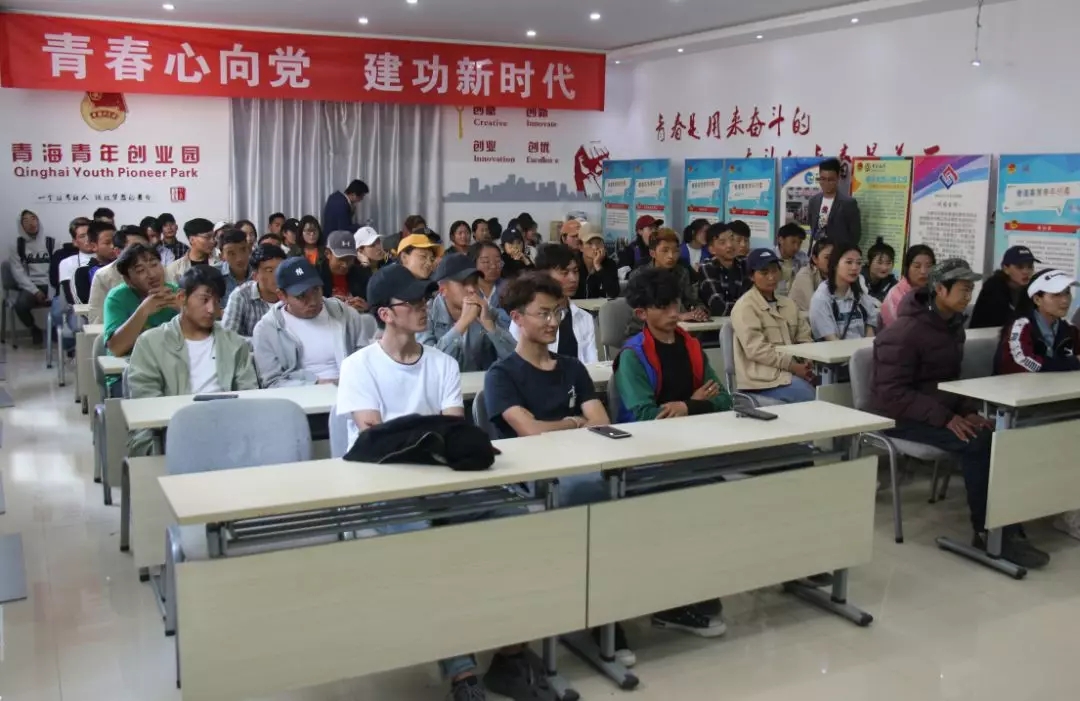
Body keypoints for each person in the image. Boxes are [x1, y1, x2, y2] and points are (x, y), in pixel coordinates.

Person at [336, 267, 519, 701]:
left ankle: (513, 647)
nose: (423, 309)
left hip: (443, 482)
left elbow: (449, 435)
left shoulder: (443, 364)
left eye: (423, 301)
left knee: (515, 516)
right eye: (412, 304)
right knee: (428, 542)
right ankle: (459, 667)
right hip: (383, 489)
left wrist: (415, 436)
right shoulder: (358, 366)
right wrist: (427, 436)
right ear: (385, 314)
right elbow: (374, 440)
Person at [485, 272, 632, 666]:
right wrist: (571, 422)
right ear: (517, 318)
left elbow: (600, 421)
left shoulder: (571, 367)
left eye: (557, 314)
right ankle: (588, 610)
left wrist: (568, 425)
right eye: (543, 314)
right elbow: (530, 432)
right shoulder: (502, 375)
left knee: (625, 494)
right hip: (533, 478)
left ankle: (601, 606)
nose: (553, 322)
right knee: (586, 495)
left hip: (582, 465)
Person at [871, 259, 1049, 569]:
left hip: (932, 412)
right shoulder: (904, 332)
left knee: (998, 434)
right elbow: (890, 394)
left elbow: (948, 382)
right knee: (978, 443)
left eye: (971, 289)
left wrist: (968, 411)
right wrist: (946, 418)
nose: (968, 295)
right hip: (898, 418)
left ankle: (1007, 524)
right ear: (940, 290)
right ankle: (986, 532)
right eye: (963, 289)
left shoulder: (952, 327)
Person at [613, 266, 732, 638]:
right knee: (696, 498)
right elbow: (646, 416)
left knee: (728, 492)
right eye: (662, 306)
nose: (672, 312)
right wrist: (694, 403)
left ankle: (698, 587)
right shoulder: (633, 356)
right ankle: (675, 599)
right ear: (641, 313)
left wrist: (687, 405)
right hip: (646, 456)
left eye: (675, 304)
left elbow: (724, 400)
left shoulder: (691, 346)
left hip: (693, 447)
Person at [126, 266, 259, 455]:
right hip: (171, 430)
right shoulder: (151, 343)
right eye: (204, 300)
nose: (212, 309)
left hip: (227, 427)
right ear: (182, 298)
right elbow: (147, 401)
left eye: (216, 301)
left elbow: (249, 394)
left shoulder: (235, 343)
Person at [994, 269, 1080, 538]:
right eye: (1056, 294)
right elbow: (1025, 362)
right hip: (1017, 407)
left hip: (1053, 402)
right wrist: (1069, 364)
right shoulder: (1022, 325)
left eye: (1067, 293)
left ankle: (1069, 512)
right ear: (1037, 299)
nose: (1065, 300)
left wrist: (1067, 363)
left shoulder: (1067, 329)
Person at [251, 257, 375, 388]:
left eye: (316, 290)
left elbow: (365, 362)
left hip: (352, 389)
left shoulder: (346, 314)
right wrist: (318, 385)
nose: (313, 301)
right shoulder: (267, 330)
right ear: (282, 296)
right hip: (300, 396)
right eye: (301, 296)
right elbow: (272, 382)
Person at [730, 249, 816, 404]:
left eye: (775, 271)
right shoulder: (745, 307)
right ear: (751, 276)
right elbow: (757, 349)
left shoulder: (789, 304)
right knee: (812, 396)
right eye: (764, 273)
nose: (771, 277)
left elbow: (804, 336)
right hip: (762, 381)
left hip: (792, 373)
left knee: (831, 389)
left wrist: (807, 361)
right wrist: (792, 366)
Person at [103, 244, 179, 396]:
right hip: (127, 373)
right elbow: (116, 348)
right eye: (140, 270)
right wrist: (143, 310)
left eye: (154, 264)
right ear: (128, 279)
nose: (152, 274)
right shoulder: (117, 297)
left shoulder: (175, 292)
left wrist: (184, 310)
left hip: (172, 369)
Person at [418, 254, 516, 371]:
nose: (472, 289)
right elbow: (428, 365)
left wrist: (490, 326)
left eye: (474, 283)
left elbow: (516, 359)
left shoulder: (486, 312)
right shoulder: (425, 315)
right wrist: (462, 324)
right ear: (443, 290)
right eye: (464, 283)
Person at [511, 244, 597, 364]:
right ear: (543, 275)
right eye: (564, 273)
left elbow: (592, 364)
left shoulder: (584, 318)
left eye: (575, 271)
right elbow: (515, 360)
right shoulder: (525, 318)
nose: (573, 279)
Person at [630, 228, 709, 322]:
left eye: (675, 251)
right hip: (643, 328)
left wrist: (700, 310)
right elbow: (638, 314)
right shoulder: (639, 275)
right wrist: (678, 316)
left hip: (676, 326)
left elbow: (692, 300)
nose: (671, 256)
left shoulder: (681, 272)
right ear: (652, 253)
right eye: (665, 251)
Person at [809, 242, 878, 341]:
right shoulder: (821, 298)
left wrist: (867, 348)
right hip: (835, 349)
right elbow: (831, 340)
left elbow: (870, 329)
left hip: (863, 350)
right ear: (835, 264)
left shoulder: (859, 294)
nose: (854, 268)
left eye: (858, 263)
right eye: (849, 262)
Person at [222, 244, 286, 340]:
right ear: (255, 276)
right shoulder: (241, 295)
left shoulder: (294, 292)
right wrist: (264, 344)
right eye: (270, 271)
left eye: (281, 269)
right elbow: (228, 338)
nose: (278, 275)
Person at [88, 226, 149, 324]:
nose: (142, 253)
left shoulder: (159, 270)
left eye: (145, 248)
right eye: (134, 249)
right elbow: (97, 318)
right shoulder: (103, 276)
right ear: (117, 252)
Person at [970, 245, 1039, 329]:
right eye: (1020, 267)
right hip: (985, 335)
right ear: (1006, 269)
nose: (1026, 272)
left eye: (1030, 267)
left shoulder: (1030, 289)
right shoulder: (994, 287)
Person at [808, 158, 861, 248]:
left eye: (830, 180)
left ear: (838, 178)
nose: (826, 183)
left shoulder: (849, 203)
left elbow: (855, 235)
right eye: (823, 179)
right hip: (818, 251)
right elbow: (812, 225)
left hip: (839, 252)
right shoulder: (814, 201)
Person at [880, 244, 936, 328]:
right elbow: (898, 330)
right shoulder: (895, 295)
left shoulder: (937, 291)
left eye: (928, 266)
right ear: (907, 268)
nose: (923, 271)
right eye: (917, 266)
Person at [698, 222, 747, 317]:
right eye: (722, 242)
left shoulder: (745, 264)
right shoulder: (707, 267)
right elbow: (719, 308)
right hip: (716, 325)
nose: (730, 245)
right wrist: (749, 308)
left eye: (732, 239)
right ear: (711, 249)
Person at [318, 230, 370, 312]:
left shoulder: (362, 275)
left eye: (350, 259)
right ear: (327, 253)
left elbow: (376, 305)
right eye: (341, 259)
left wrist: (367, 308)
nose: (345, 265)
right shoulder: (315, 276)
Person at [72, 221, 118, 304]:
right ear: (93, 246)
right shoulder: (83, 272)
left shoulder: (124, 267)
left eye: (115, 242)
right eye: (107, 243)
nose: (113, 246)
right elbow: (86, 300)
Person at [469, 241, 510, 328]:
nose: (493, 266)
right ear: (473, 264)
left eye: (498, 261)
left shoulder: (510, 288)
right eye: (486, 262)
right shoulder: (466, 290)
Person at [789, 236, 834, 312]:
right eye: (827, 258)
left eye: (835, 257)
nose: (832, 261)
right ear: (815, 259)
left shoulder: (832, 276)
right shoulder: (804, 275)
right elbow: (816, 308)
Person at [166, 218, 217, 282]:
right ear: (192, 239)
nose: (213, 241)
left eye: (214, 237)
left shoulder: (220, 263)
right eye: (207, 237)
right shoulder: (174, 269)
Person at [580, 228, 620, 299]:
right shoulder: (574, 264)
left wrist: (598, 266)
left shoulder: (610, 264)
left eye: (598, 243)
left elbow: (613, 293)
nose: (595, 247)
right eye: (589, 243)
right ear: (581, 247)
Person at [216, 228, 252, 303]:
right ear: (222, 256)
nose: (239, 258)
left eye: (243, 250)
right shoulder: (215, 276)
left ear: (249, 249)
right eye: (231, 253)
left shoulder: (259, 271)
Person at [774, 223, 809, 296]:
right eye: (793, 242)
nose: (796, 247)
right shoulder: (770, 257)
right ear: (781, 240)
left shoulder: (802, 258)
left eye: (799, 243)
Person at [863, 237, 898, 302]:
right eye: (879, 263)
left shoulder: (892, 283)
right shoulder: (858, 280)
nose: (884, 267)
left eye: (888, 263)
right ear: (869, 262)